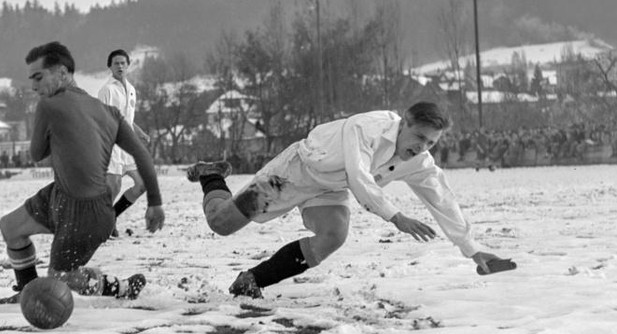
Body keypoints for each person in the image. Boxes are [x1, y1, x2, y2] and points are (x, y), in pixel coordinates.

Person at [186, 101, 509, 298]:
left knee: (334, 235)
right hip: (294, 172)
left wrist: (471, 249)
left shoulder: (418, 161)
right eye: (419, 137)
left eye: (431, 142)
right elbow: (359, 176)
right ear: (404, 123)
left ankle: (251, 281)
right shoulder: (366, 127)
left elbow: (441, 197)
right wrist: (396, 216)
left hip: (330, 188)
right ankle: (211, 175)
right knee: (221, 224)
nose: (423, 147)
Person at [0, 41, 165, 304]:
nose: (33, 87)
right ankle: (27, 292)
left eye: (39, 77)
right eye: (31, 79)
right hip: (61, 195)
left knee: (63, 277)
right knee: (10, 227)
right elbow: (142, 154)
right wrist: (155, 202)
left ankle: (122, 287)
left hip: (85, 210)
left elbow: (37, 154)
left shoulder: (48, 106)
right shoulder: (108, 112)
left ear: (62, 73)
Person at [97, 49, 149, 237]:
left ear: (128, 66)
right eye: (116, 63)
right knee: (114, 187)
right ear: (109, 66)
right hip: (112, 146)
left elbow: (126, 118)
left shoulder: (132, 89)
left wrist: (139, 132)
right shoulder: (107, 90)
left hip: (128, 147)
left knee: (142, 185)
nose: (120, 66)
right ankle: (103, 224)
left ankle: (111, 217)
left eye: (123, 63)